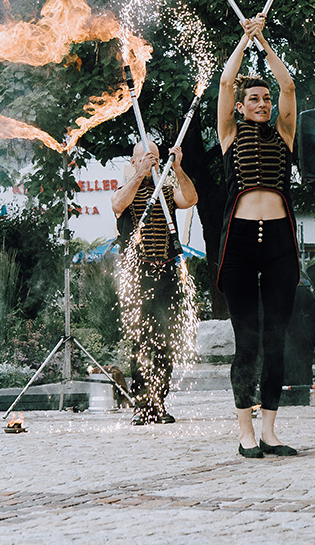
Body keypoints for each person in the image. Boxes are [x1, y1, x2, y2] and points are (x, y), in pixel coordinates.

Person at [217, 12, 300, 458]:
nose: (263, 103)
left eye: (266, 98)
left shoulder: (284, 133)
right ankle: (245, 431)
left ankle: (270, 430)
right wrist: (243, 39)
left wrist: (264, 42)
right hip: (241, 245)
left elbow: (289, 86)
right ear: (242, 106)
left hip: (280, 244)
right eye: (255, 98)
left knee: (276, 338)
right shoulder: (230, 133)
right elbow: (225, 83)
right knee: (248, 338)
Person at [111, 139, 198, 425]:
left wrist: (178, 167)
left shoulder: (167, 191)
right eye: (146, 158)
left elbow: (191, 199)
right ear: (134, 161)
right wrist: (140, 174)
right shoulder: (125, 189)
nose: (151, 163)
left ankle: (159, 403)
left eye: (155, 159)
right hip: (139, 276)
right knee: (141, 343)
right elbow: (118, 204)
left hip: (167, 276)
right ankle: (142, 406)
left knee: (164, 343)